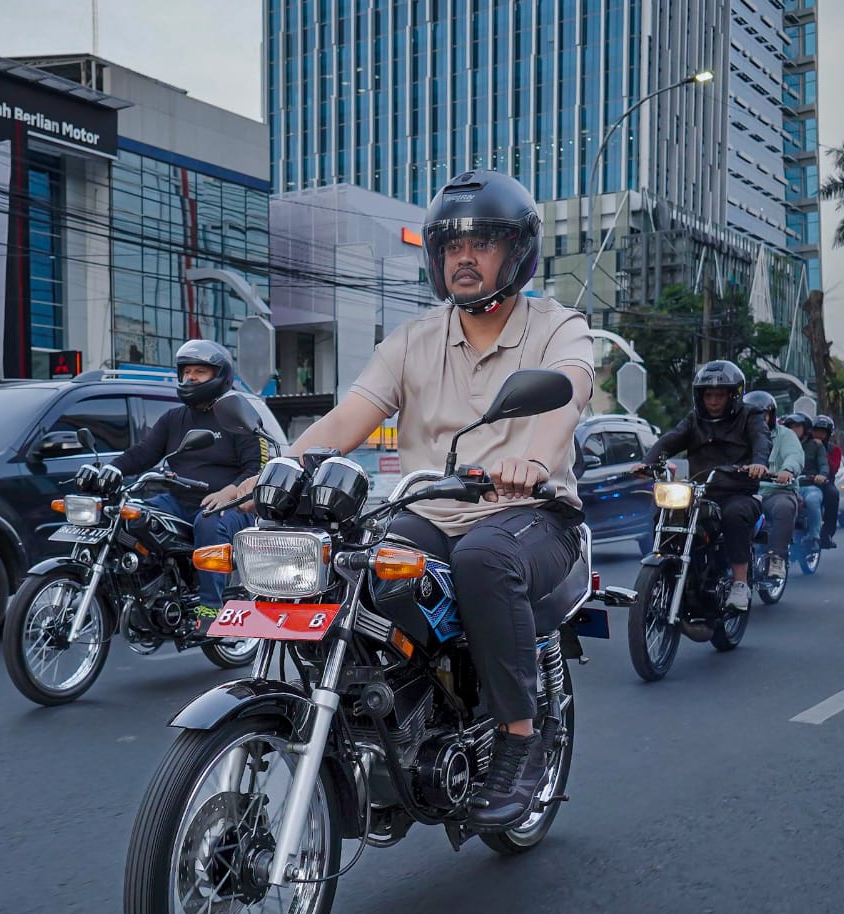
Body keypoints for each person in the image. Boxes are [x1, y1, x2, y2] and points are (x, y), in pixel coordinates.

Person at [230, 169, 593, 829]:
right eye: (452, 245)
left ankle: (520, 740)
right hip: (430, 512)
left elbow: (566, 394)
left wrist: (533, 461)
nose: (464, 257)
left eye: (481, 243)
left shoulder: (557, 326)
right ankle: (398, 712)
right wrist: (283, 465)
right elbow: (349, 418)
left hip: (534, 517)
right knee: (351, 566)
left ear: (515, 251)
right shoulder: (413, 340)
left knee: (485, 560)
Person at [88, 339, 263, 621]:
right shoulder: (173, 419)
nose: (190, 377)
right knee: (133, 517)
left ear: (220, 376)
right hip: (177, 500)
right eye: (186, 371)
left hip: (229, 507)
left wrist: (228, 494)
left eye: (200, 371)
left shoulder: (236, 416)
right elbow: (143, 453)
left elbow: (255, 468)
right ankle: (148, 590)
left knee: (208, 522)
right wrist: (113, 468)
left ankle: (210, 607)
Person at [638, 361, 770, 611]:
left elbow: (762, 440)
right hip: (699, 494)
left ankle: (740, 583)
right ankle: (664, 569)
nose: (713, 400)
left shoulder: (750, 416)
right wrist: (646, 463)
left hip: (737, 492)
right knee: (666, 508)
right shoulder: (694, 419)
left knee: (734, 515)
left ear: (734, 394)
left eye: (720, 395)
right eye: (708, 395)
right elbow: (670, 439)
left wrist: (758, 463)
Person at [750, 393, 807, 580]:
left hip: (776, 491)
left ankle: (777, 559)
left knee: (784, 507)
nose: (758, 419)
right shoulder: (740, 434)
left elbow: (794, 455)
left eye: (763, 415)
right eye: (753, 415)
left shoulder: (786, 435)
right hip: (745, 492)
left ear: (771, 415)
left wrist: (788, 470)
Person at [783, 412, 840, 548]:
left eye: (797, 427)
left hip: (813, 483)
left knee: (824, 496)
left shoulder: (821, 447)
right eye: (790, 427)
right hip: (786, 485)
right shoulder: (782, 444)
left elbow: (825, 466)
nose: (794, 431)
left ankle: (820, 535)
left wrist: (822, 475)